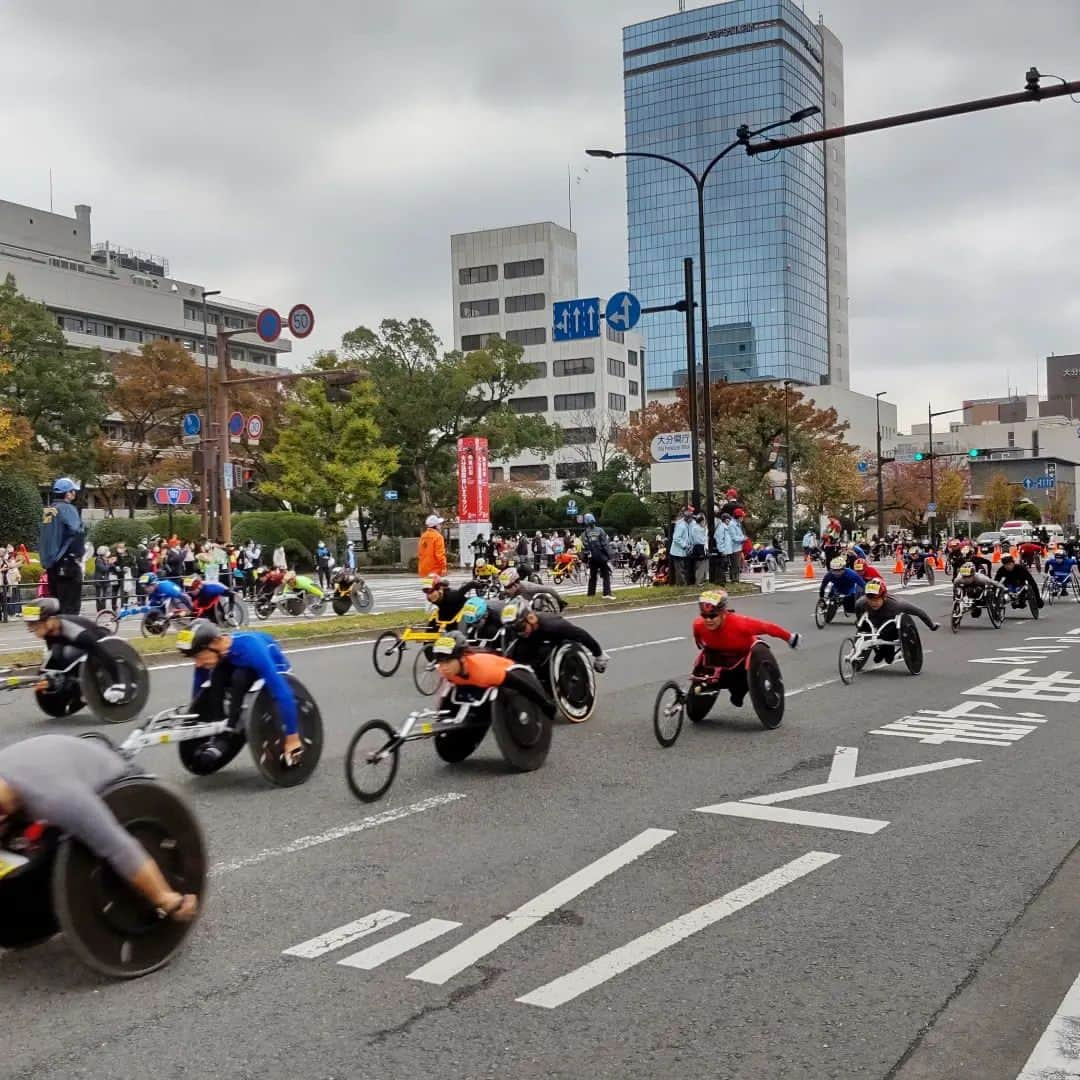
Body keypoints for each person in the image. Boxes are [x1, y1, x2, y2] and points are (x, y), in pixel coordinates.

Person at [0, 734, 198, 922]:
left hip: (116, 785)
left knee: (36, 880)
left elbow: (119, 848)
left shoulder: (56, 799)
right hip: (60, 769)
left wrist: (166, 899)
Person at [177, 620, 304, 766]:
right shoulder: (213, 651)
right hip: (237, 664)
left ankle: (230, 730)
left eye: (198, 656)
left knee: (240, 677)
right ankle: (220, 726)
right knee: (217, 674)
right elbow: (199, 691)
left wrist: (293, 739)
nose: (197, 664)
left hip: (272, 667)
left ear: (216, 642)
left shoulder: (252, 649)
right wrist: (197, 716)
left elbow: (282, 691)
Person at [691, 590, 799, 708]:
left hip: (744, 657)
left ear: (723, 613)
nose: (708, 620)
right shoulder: (698, 625)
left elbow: (767, 627)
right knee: (705, 664)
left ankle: (738, 693)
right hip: (720, 656)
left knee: (738, 682)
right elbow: (699, 640)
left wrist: (790, 638)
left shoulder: (739, 624)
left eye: (712, 616)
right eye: (704, 616)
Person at [23, 598, 127, 702]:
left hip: (97, 639)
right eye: (31, 627)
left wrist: (118, 684)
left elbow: (102, 653)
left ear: (51, 620)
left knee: (96, 654)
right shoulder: (49, 632)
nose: (34, 631)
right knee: (56, 659)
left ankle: (118, 683)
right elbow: (55, 659)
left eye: (35, 626)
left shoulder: (76, 632)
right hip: (74, 644)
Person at [430, 631, 555, 716]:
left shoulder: (484, 672)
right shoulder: (444, 670)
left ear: (462, 658)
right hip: (474, 683)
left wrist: (544, 704)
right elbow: (446, 695)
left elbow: (520, 684)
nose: (444, 667)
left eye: (448, 661)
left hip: (506, 670)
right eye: (441, 662)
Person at [500, 597, 609, 671]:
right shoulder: (518, 632)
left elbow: (581, 635)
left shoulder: (553, 626)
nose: (519, 632)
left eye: (520, 627)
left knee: (544, 654)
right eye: (514, 629)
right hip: (534, 642)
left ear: (531, 619)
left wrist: (598, 654)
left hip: (557, 643)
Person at [853, 579, 938, 664]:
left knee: (888, 658)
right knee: (863, 629)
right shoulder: (861, 602)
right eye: (870, 600)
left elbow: (919, 612)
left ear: (884, 597)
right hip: (875, 622)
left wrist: (932, 626)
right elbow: (858, 611)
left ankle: (883, 652)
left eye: (876, 600)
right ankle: (858, 656)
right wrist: (859, 620)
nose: (873, 603)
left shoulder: (897, 605)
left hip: (891, 628)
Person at [38, 477, 86, 614]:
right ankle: (68, 634)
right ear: (68, 493)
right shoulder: (68, 509)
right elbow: (77, 532)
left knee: (56, 607)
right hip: (67, 563)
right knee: (70, 608)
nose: (74, 494)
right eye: (72, 491)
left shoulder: (48, 511)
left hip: (51, 565)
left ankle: (56, 633)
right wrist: (79, 555)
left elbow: (44, 536)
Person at [499, 566, 566, 612]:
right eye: (505, 587)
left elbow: (549, 589)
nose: (506, 590)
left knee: (538, 603)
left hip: (534, 604)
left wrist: (560, 601)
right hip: (520, 610)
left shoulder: (528, 587)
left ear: (516, 583)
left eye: (508, 587)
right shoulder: (504, 592)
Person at [581, 513, 615, 599]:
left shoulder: (585, 533)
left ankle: (590, 594)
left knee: (592, 576)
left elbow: (585, 547)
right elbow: (605, 545)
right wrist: (610, 556)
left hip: (592, 557)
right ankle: (606, 593)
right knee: (606, 575)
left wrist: (585, 559)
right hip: (601, 556)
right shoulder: (600, 530)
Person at [670, 507, 695, 586]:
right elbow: (676, 538)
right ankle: (681, 584)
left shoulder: (688, 523)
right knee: (680, 569)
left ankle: (684, 583)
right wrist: (685, 545)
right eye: (691, 516)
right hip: (678, 551)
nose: (692, 518)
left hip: (684, 550)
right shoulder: (681, 525)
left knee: (683, 568)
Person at [418, 514, 448, 580]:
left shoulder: (423, 536)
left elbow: (420, 553)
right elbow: (440, 554)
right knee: (436, 589)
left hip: (424, 570)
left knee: (427, 588)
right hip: (435, 570)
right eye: (439, 524)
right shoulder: (438, 537)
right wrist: (443, 568)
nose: (440, 526)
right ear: (436, 526)